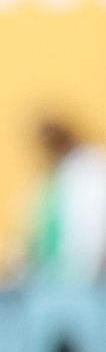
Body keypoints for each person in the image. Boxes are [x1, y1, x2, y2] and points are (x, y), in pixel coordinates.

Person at [25, 113, 106, 282]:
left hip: (87, 271)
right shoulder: (53, 177)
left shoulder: (91, 171)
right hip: (56, 272)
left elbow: (95, 220)